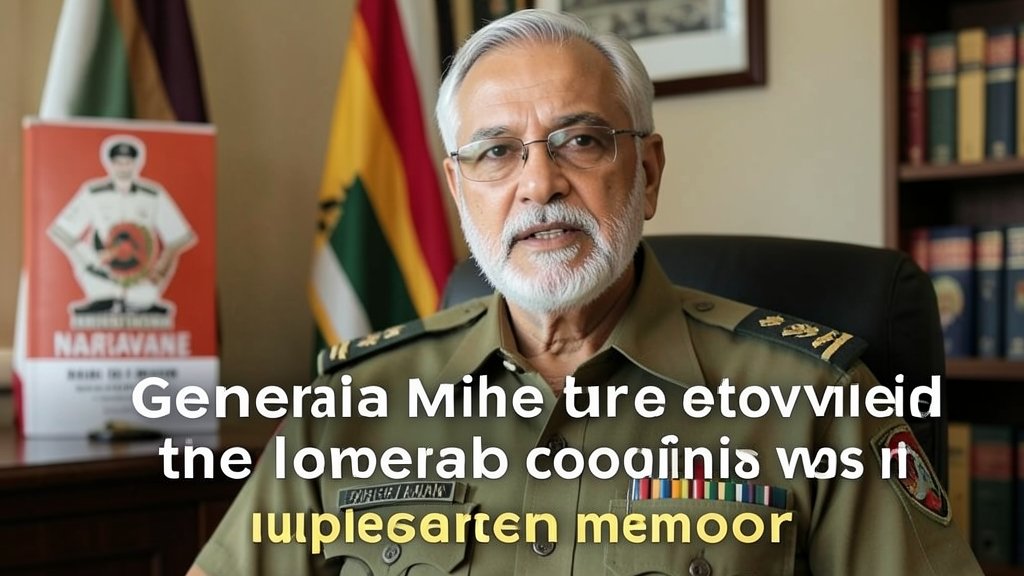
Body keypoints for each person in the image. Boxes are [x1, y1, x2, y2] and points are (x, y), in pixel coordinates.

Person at [190, 9, 983, 575]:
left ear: (648, 173)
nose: (540, 183)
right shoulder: (354, 403)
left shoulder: (819, 402)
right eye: (496, 151)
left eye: (580, 140)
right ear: (459, 192)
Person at [48, 134, 195, 318]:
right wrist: (85, 263)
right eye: (118, 162)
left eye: (128, 162)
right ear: (110, 164)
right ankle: (102, 298)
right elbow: (62, 232)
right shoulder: (93, 193)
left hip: (141, 274)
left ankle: (141, 301)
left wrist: (160, 269)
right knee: (100, 305)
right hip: (103, 273)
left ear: (136, 164)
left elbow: (178, 237)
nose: (123, 167)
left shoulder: (152, 194)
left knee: (144, 305)